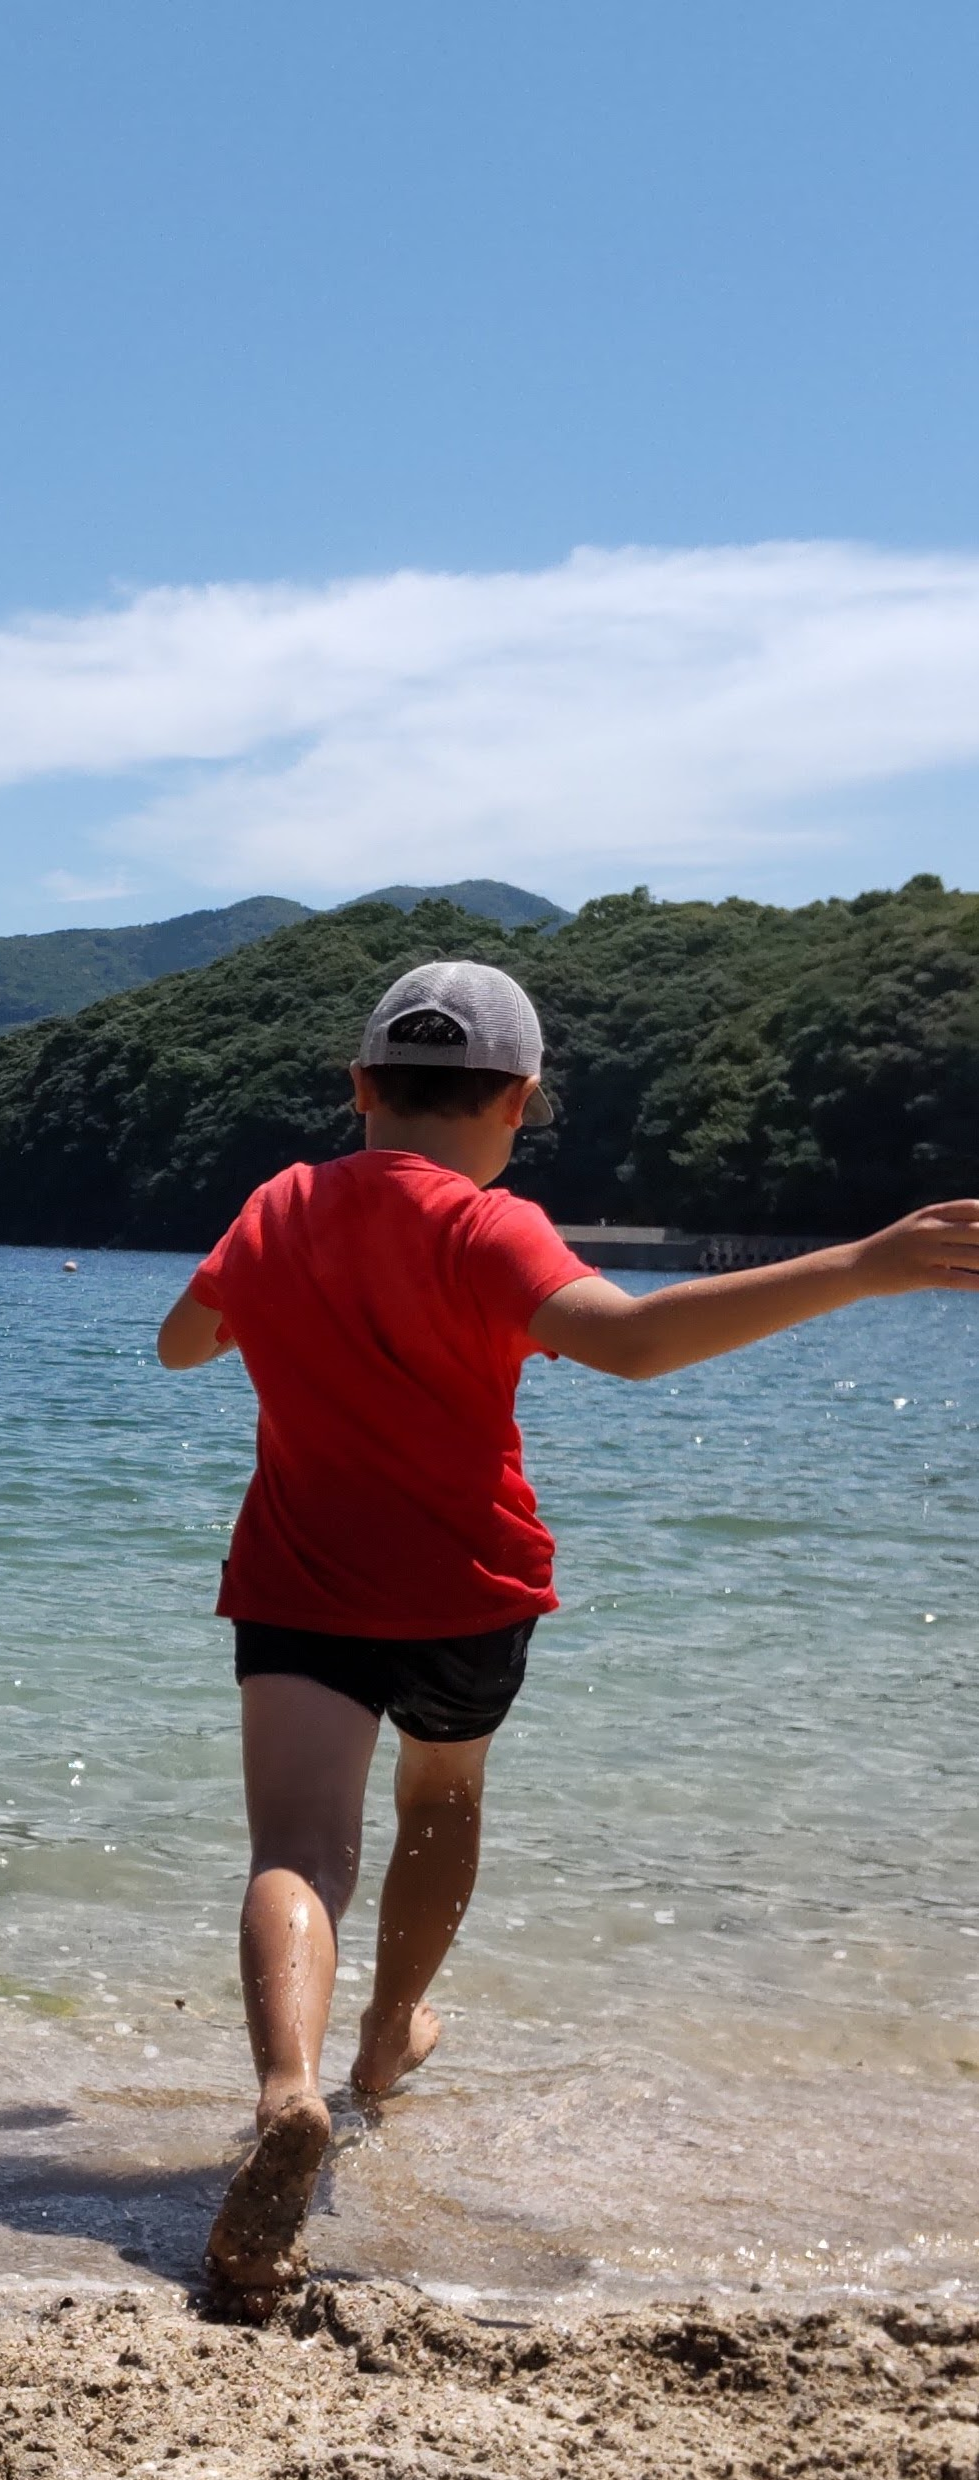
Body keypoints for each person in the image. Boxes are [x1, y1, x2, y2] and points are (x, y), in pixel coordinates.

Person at [155, 958, 979, 2318]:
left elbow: (184, 1346)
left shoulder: (279, 1205)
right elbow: (636, 1344)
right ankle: (380, 2050)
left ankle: (284, 2090)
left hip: (300, 1582)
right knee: (445, 1790)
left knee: (297, 1850)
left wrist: (274, 1295)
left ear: (358, 1088)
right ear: (521, 1104)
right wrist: (861, 1264)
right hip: (467, 1587)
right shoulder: (493, 1229)